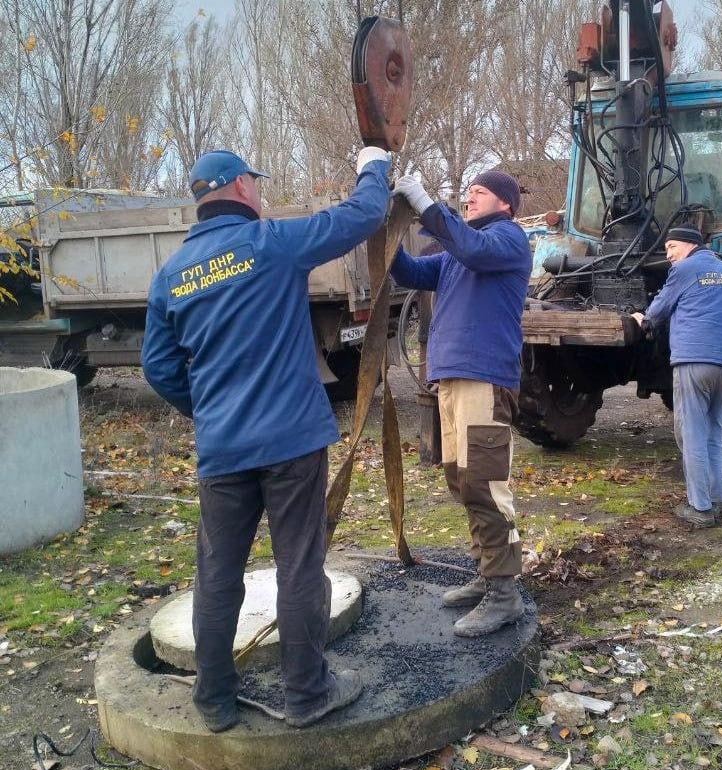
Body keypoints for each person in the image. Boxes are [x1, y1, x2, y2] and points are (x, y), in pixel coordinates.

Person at [141, 146, 391, 732]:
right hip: (291, 443)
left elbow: (158, 366)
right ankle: (307, 695)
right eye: (255, 181)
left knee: (217, 573)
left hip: (223, 450)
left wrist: (208, 412)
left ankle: (213, 701)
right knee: (299, 566)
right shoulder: (272, 243)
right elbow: (360, 216)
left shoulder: (172, 274)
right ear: (240, 188)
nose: (259, 190)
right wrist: (374, 166)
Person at [391, 171, 531, 637]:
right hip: (451, 379)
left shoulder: (508, 240)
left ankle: (505, 595)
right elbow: (409, 273)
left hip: (484, 378)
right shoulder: (456, 254)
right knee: (462, 481)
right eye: (467, 192)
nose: (469, 197)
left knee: (485, 484)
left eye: (480, 192)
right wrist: (384, 231)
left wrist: (426, 203)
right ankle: (488, 573)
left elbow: (471, 248)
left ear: (506, 204)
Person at [631, 224, 722, 528]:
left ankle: (700, 508)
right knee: (713, 430)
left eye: (671, 247)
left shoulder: (684, 270)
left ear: (689, 245)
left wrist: (641, 318)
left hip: (693, 361)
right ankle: (715, 497)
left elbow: (658, 312)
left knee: (691, 433)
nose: (668, 255)